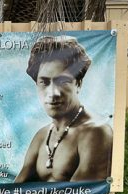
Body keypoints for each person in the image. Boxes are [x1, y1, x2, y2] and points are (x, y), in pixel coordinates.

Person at [15, 35, 113, 183]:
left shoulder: (96, 133)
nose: (53, 93)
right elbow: (16, 189)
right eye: (44, 82)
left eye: (63, 81)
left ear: (78, 84)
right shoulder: (42, 135)